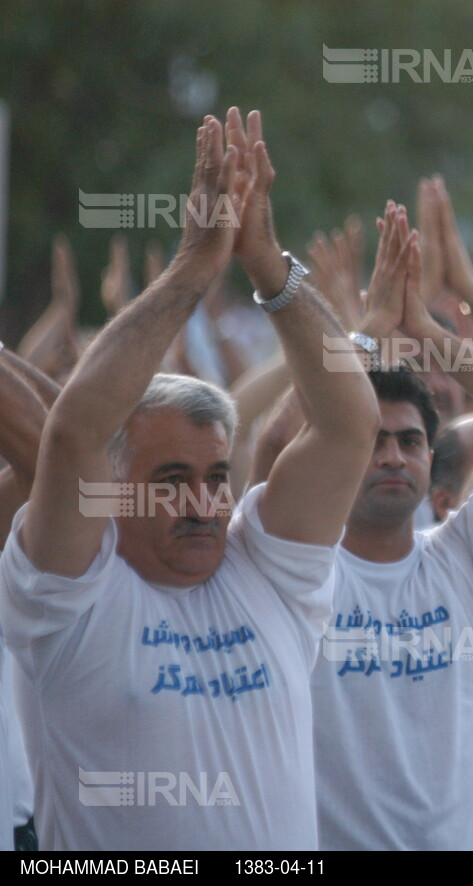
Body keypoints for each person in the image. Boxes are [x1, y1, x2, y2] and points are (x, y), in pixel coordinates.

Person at [0, 108, 378, 850]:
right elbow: (74, 431)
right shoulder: (68, 594)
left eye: (215, 477)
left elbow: (347, 425)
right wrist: (192, 270)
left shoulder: (270, 574)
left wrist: (267, 262)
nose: (205, 503)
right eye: (172, 478)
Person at [263, 202, 473, 850]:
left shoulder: (461, 553)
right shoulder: (295, 569)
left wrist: (432, 335)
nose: (391, 457)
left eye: (410, 442)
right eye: (372, 440)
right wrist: (370, 329)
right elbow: (273, 442)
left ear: (430, 461)